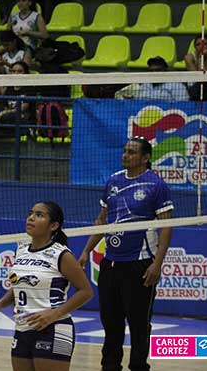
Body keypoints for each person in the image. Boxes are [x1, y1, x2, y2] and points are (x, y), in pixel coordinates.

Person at [77, 137, 174, 371]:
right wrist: (86, 250)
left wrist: (157, 264)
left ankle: (139, 366)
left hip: (139, 264)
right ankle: (110, 366)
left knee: (139, 324)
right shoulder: (113, 181)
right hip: (111, 263)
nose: (125, 155)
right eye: (125, 151)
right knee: (111, 322)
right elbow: (102, 220)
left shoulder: (156, 185)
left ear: (145, 157)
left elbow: (166, 227)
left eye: (131, 152)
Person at [0, 201, 93, 370]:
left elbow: (86, 292)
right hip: (22, 328)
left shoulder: (61, 254)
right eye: (31, 213)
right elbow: (20, 286)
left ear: (53, 226)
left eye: (39, 215)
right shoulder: (21, 250)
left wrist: (54, 314)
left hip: (54, 327)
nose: (31, 218)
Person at [114, 56, 190, 101]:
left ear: (165, 70)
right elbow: (138, 103)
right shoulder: (145, 85)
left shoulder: (177, 86)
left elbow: (184, 105)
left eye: (158, 70)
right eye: (151, 70)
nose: (154, 73)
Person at [0, 61, 39, 127]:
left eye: (19, 71)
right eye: (13, 71)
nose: (16, 74)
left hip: (26, 121)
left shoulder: (30, 88)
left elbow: (23, 108)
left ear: (25, 73)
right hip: (10, 120)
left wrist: (5, 113)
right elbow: (5, 106)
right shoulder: (9, 88)